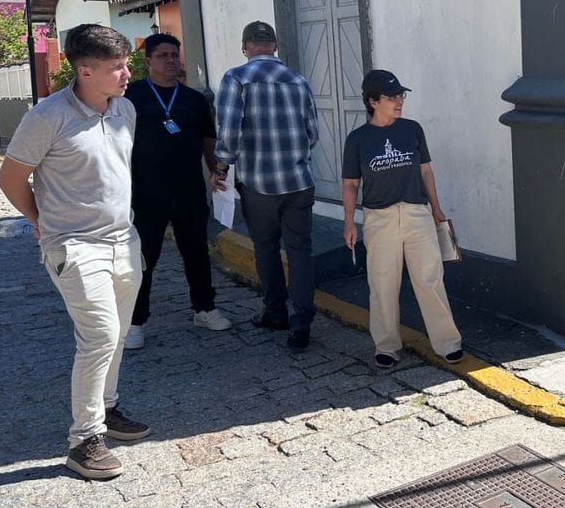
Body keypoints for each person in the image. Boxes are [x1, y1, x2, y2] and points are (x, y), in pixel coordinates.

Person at [0, 23, 151, 480]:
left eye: (126, 64)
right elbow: (10, 178)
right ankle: (84, 441)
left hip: (124, 239)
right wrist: (40, 222)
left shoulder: (125, 109)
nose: (127, 74)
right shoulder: (47, 117)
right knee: (99, 335)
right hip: (74, 245)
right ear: (85, 71)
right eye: (117, 67)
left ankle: (107, 408)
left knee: (117, 334)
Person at [341, 70, 465, 368]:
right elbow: (351, 184)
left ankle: (447, 342)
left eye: (401, 95)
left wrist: (435, 208)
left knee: (430, 278)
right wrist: (348, 222)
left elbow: (426, 170)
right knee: (383, 283)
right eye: (391, 97)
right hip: (379, 218)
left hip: (416, 213)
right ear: (373, 102)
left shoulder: (412, 130)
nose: (399, 101)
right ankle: (386, 345)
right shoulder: (357, 139)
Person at [213, 21, 319, 350]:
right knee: (300, 252)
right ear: (274, 46)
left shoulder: (236, 78)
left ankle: (276, 313)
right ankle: (302, 324)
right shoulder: (298, 80)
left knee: (266, 249)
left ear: (245, 47)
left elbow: (228, 133)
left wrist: (221, 167)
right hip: (298, 182)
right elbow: (313, 133)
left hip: (258, 183)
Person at [122, 33, 231, 349]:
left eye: (174, 55)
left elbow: (208, 140)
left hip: (188, 190)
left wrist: (216, 172)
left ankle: (204, 309)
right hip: (145, 192)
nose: (170, 61)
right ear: (148, 61)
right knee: (144, 257)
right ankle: (135, 321)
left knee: (196, 252)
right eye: (163, 56)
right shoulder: (131, 96)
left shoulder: (194, 100)